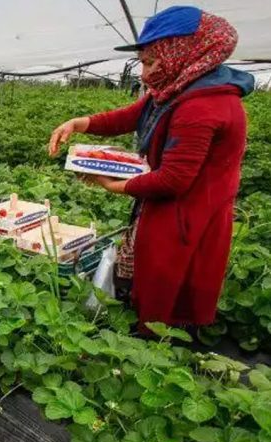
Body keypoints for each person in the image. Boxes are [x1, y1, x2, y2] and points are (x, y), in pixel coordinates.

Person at [48, 6, 254, 331]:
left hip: (187, 215)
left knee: (167, 287)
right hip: (166, 208)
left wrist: (112, 184)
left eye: (149, 62)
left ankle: (153, 350)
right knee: (145, 273)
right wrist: (79, 123)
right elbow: (132, 115)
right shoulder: (177, 88)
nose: (144, 74)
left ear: (180, 53)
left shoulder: (202, 106)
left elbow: (173, 180)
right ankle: (140, 327)